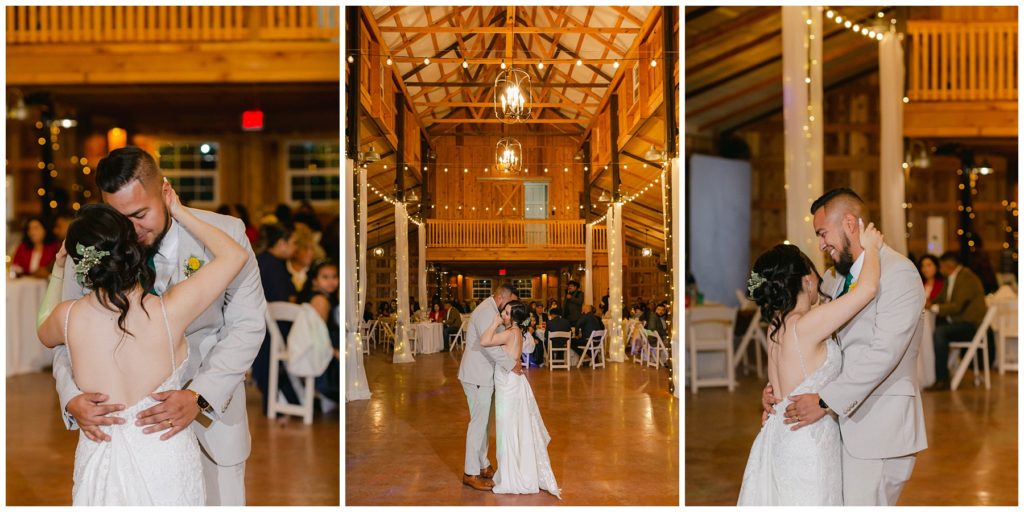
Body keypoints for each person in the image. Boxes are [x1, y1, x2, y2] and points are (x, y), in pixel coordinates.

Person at [50, 146, 266, 505]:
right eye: (119, 219)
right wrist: (70, 395)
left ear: (165, 192)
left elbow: (248, 324)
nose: (130, 230)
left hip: (212, 421)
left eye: (139, 214)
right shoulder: (94, 246)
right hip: (119, 431)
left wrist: (200, 395)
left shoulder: (225, 232)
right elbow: (65, 334)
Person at [759, 188, 926, 506]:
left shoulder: (899, 273)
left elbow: (884, 353)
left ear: (850, 223)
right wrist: (779, 387)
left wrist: (824, 401)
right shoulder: (835, 279)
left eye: (823, 233)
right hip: (836, 427)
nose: (821, 244)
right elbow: (805, 341)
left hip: (878, 428)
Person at [739, 219, 882, 505]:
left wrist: (768, 395)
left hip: (780, 434)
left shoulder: (775, 325)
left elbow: (779, 382)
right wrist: (873, 248)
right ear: (807, 279)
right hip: (808, 441)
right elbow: (866, 291)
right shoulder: (808, 323)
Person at [479, 300, 560, 498]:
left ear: (514, 318)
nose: (503, 315)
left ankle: (511, 476)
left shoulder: (508, 333)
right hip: (512, 382)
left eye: (506, 313)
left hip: (508, 385)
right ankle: (518, 470)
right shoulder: (519, 333)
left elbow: (484, 341)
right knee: (514, 428)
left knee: (507, 430)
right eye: (503, 312)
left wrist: (493, 322)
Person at [457, 283, 523, 491]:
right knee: (478, 424)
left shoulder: (492, 309)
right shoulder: (487, 312)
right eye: (511, 301)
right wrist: (511, 364)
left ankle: (483, 464)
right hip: (477, 375)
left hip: (484, 375)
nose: (510, 307)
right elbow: (491, 348)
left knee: (484, 423)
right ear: (502, 298)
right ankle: (470, 472)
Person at [252, 221, 300, 412]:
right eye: (293, 243)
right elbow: (283, 302)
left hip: (261, 326)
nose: (295, 248)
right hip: (273, 330)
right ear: (281, 243)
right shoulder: (274, 267)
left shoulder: (262, 260)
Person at [927, 251, 990, 390]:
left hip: (970, 326)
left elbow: (957, 306)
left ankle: (942, 380)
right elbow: (941, 298)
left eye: (941, 266)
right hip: (958, 323)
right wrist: (928, 302)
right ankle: (930, 375)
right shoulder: (951, 278)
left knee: (939, 333)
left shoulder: (967, 278)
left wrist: (934, 307)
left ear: (949, 265)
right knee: (936, 329)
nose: (939, 269)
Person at [297, 260, 340, 405]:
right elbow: (318, 334)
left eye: (334, 277)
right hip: (325, 356)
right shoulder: (320, 300)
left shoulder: (326, 297)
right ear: (315, 280)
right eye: (325, 277)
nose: (331, 281)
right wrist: (335, 352)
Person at [287, 224, 320, 292]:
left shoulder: (316, 270)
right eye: (305, 249)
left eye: (312, 249)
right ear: (296, 250)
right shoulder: (283, 268)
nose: (310, 253)